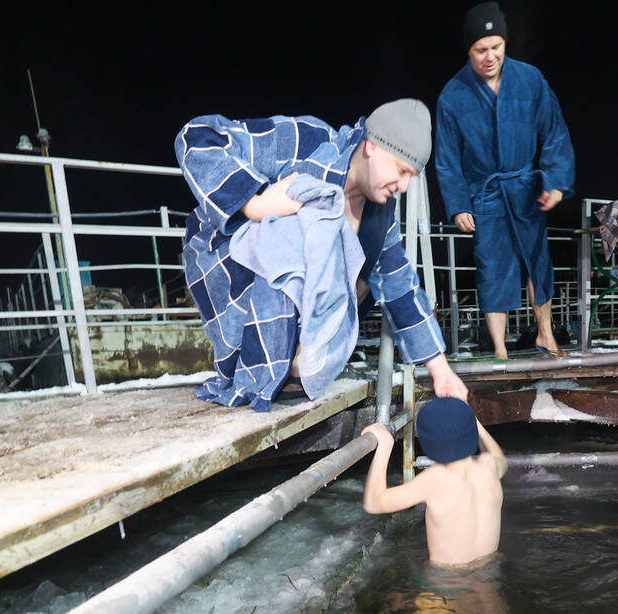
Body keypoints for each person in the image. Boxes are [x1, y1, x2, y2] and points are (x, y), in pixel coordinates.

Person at [175, 99, 468, 411]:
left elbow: (401, 289)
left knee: (369, 267)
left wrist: (441, 372)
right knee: (314, 214)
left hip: (288, 290)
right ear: (372, 147)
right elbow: (197, 135)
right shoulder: (309, 142)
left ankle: (299, 363)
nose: (405, 186)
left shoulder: (379, 216)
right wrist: (254, 204)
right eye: (401, 170)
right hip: (228, 257)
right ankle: (271, 360)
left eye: (412, 176)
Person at [435, 1, 576, 360]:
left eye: (496, 46)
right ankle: (499, 350)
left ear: (505, 43)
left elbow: (555, 133)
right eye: (481, 49)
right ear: (468, 50)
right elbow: (447, 159)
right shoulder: (452, 95)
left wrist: (556, 182)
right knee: (492, 268)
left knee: (536, 262)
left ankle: (545, 334)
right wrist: (458, 206)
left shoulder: (530, 80)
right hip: (485, 193)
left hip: (526, 188)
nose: (489, 56)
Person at [362, 397, 507, 568]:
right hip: (489, 571)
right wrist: (472, 420)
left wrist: (386, 445)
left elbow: (374, 503)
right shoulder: (489, 466)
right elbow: (499, 458)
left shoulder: (436, 478)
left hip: (447, 581)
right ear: (471, 431)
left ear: (429, 442)